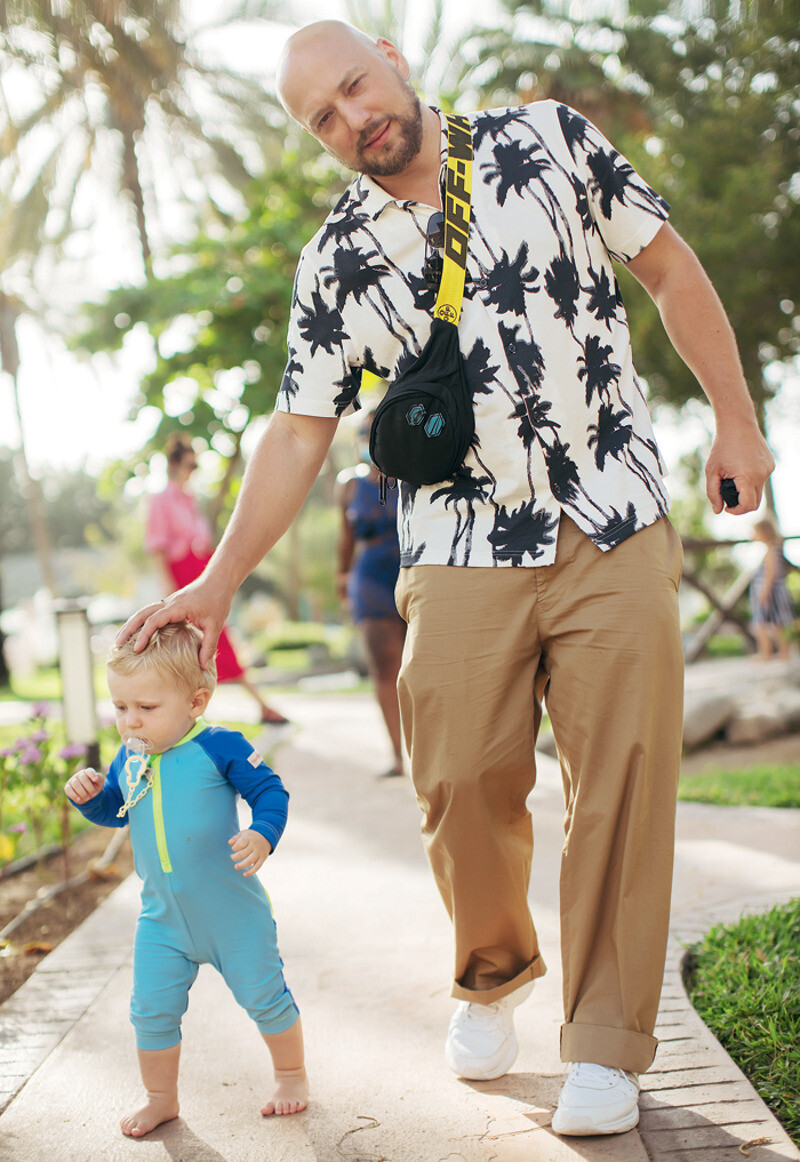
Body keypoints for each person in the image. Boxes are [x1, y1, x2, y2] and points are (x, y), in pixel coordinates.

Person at [118, 22, 775, 1138]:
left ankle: (605, 1041)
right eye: (320, 118)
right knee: (459, 776)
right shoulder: (335, 257)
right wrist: (220, 580)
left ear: (393, 60)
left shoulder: (548, 142)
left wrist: (735, 419)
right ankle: (489, 971)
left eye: (352, 87)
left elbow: (664, 264)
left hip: (609, 512)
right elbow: (295, 430)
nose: (349, 119)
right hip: (456, 546)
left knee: (620, 777)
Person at [64, 622, 307, 1138]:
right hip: (162, 920)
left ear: (196, 701)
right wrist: (92, 799)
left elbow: (270, 793)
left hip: (231, 915)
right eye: (121, 707)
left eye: (146, 709)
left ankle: (291, 1077)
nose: (130, 722)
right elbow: (118, 811)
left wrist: (262, 835)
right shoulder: (130, 757)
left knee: (265, 997)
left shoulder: (220, 746)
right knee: (149, 1011)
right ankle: (161, 1099)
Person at [145, 433, 289, 725]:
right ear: (174, 464)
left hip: (200, 573)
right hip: (181, 577)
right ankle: (179, 715)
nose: (193, 471)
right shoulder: (161, 501)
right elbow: (158, 549)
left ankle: (252, 706)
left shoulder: (190, 500)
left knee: (216, 639)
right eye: (190, 465)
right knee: (188, 647)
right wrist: (170, 591)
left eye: (196, 466)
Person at [336, 413, 406, 777]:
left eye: (375, 431)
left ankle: (429, 751)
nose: (368, 438)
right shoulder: (349, 484)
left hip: (412, 571)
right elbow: (344, 539)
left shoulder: (414, 473)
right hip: (371, 579)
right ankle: (397, 755)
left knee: (422, 666)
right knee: (385, 664)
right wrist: (342, 579)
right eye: (363, 432)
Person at [750, 517, 794, 660]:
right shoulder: (775, 549)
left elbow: (771, 573)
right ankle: (782, 653)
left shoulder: (770, 551)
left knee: (762, 624)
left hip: (772, 593)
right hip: (775, 592)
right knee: (778, 623)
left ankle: (766, 653)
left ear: (763, 532)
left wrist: (764, 592)